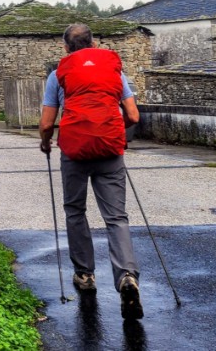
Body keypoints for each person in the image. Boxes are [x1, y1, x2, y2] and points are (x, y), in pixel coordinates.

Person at [38, 23, 144, 320]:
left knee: (75, 211)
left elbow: (47, 124)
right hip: (110, 151)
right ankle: (127, 277)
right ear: (94, 43)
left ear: (65, 47)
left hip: (73, 152)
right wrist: (111, 132)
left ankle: (84, 276)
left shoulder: (57, 75)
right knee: (116, 217)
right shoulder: (114, 71)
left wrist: (46, 143)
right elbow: (133, 115)